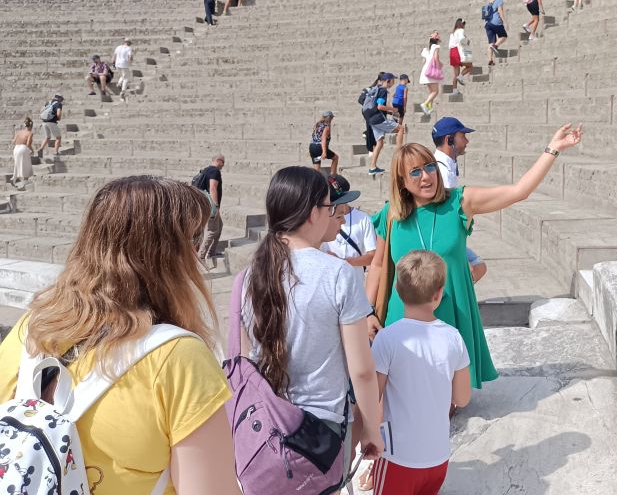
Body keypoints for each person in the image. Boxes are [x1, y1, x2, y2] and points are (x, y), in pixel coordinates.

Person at [0, 176, 242, 495]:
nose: (197, 257)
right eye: (192, 241)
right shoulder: (179, 359)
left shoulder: (31, 329)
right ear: (168, 257)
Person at [365, 124, 584, 390]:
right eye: (415, 172)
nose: (426, 177)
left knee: (447, 399)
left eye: (430, 167)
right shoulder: (391, 215)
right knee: (403, 392)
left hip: (450, 311)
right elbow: (377, 266)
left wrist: (553, 149)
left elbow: (519, 192)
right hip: (402, 318)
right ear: (401, 181)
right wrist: (368, 313)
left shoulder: (460, 202)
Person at [238, 167, 384, 474]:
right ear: (311, 214)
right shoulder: (337, 274)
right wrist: (372, 429)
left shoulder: (251, 274)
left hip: (266, 426)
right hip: (320, 432)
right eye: (330, 206)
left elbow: (244, 360)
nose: (334, 213)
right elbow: (362, 370)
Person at [370, 250, 471, 495]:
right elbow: (462, 398)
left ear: (396, 289)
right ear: (438, 294)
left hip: (398, 457)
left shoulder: (387, 338)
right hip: (437, 458)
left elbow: (372, 397)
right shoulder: (453, 337)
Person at [431, 116, 488, 284]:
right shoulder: (440, 172)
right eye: (462, 136)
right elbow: (441, 216)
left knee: (479, 266)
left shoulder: (446, 165)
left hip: (451, 237)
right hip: (445, 240)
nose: (467, 141)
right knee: (473, 270)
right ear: (449, 140)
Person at [323, 174, 377, 287]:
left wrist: (344, 262)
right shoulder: (322, 219)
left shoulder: (363, 218)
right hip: (329, 283)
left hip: (355, 284)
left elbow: (373, 256)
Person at [366, 73, 399, 175]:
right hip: (378, 119)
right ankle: (399, 152)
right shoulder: (383, 91)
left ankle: (372, 167)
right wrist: (393, 109)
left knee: (380, 142)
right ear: (388, 80)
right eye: (393, 80)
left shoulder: (377, 89)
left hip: (371, 119)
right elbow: (380, 106)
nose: (394, 82)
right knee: (401, 128)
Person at [196, 154, 225, 269]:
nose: (223, 165)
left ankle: (212, 252)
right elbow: (213, 188)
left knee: (220, 226)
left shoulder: (205, 170)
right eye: (223, 163)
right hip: (210, 205)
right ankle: (201, 256)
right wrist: (216, 206)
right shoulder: (214, 171)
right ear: (218, 161)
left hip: (204, 204)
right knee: (212, 231)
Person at [419, 33, 443, 114]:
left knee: (432, 92)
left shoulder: (426, 50)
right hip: (432, 71)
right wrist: (440, 64)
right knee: (435, 92)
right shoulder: (436, 47)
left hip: (425, 71)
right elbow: (436, 58)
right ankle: (425, 104)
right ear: (437, 41)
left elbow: (423, 61)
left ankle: (429, 107)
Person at [309, 111, 339, 175]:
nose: (332, 119)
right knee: (335, 157)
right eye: (332, 118)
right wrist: (324, 152)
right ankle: (333, 176)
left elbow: (314, 136)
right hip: (319, 147)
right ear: (330, 118)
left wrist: (312, 150)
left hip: (312, 147)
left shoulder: (317, 125)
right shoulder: (326, 127)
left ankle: (315, 182)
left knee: (316, 169)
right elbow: (323, 139)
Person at [484, 0, 508, 67]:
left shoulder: (488, 1)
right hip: (496, 22)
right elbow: (500, 11)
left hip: (488, 24)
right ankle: (496, 46)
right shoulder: (499, 0)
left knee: (490, 43)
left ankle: (490, 60)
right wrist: (505, 22)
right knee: (504, 36)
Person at [10, 116, 34, 187]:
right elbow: (28, 144)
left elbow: (13, 141)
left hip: (16, 148)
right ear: (31, 125)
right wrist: (32, 150)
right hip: (23, 148)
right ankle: (25, 181)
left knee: (17, 164)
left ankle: (14, 179)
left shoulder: (18, 132)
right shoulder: (30, 133)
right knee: (26, 164)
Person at [38, 93, 63, 157]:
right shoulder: (58, 104)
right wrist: (59, 118)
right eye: (62, 99)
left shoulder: (48, 103)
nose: (62, 101)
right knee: (58, 137)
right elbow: (58, 113)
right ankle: (56, 151)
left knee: (47, 137)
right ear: (59, 98)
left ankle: (41, 149)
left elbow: (41, 111)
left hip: (44, 122)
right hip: (51, 122)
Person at [447, 19, 468, 95]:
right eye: (464, 24)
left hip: (452, 51)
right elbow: (462, 41)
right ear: (461, 24)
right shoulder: (460, 30)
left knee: (455, 74)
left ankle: (454, 90)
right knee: (470, 66)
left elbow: (450, 45)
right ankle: (461, 76)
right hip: (458, 50)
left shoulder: (452, 33)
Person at [392, 74, 410, 143]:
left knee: (396, 115)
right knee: (401, 116)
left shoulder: (397, 87)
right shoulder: (405, 88)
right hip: (400, 103)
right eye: (407, 81)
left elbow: (394, 95)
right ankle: (399, 130)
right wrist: (404, 107)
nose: (406, 82)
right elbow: (405, 97)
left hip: (395, 102)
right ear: (405, 79)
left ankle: (395, 127)